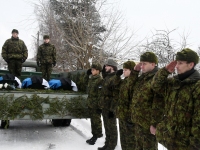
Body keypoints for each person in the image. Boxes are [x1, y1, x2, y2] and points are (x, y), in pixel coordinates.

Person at [151, 48, 200, 150]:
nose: (176, 66)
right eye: (176, 63)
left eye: (180, 63)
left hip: (185, 145)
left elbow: (198, 123)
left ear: (191, 65)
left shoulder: (197, 86)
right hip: (169, 140)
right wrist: (165, 71)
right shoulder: (174, 82)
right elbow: (155, 86)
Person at [130, 52, 164, 150]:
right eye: (141, 63)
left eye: (144, 64)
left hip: (148, 126)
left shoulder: (157, 79)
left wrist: (154, 124)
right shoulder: (142, 78)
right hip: (138, 122)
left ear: (153, 64)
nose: (142, 66)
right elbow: (129, 88)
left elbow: (159, 105)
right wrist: (135, 73)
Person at [98, 59, 121, 150]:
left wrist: (112, 109)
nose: (105, 67)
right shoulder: (107, 77)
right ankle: (107, 144)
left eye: (107, 66)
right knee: (107, 126)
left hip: (110, 107)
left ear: (111, 67)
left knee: (112, 127)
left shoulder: (115, 78)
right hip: (105, 106)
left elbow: (116, 96)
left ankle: (112, 146)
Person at [117, 60, 138, 150]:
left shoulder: (134, 83)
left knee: (131, 143)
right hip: (122, 116)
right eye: (123, 69)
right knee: (123, 140)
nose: (123, 72)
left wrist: (130, 118)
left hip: (129, 119)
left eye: (126, 70)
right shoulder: (124, 81)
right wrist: (116, 76)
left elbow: (134, 102)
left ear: (132, 71)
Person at [85, 63, 103, 145]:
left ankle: (97, 136)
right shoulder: (91, 78)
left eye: (93, 70)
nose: (92, 71)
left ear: (98, 71)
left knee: (96, 121)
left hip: (96, 105)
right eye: (91, 70)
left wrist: (99, 107)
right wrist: (87, 75)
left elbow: (100, 95)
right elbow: (85, 83)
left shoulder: (100, 80)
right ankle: (94, 135)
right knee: (93, 121)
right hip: (91, 103)